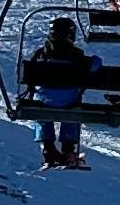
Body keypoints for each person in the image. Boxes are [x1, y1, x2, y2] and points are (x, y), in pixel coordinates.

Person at [22, 13, 93, 169]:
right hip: (68, 100)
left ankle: (47, 147)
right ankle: (68, 149)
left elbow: (29, 75)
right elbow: (90, 68)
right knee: (72, 110)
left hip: (43, 100)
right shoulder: (76, 54)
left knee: (41, 110)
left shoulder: (41, 53)